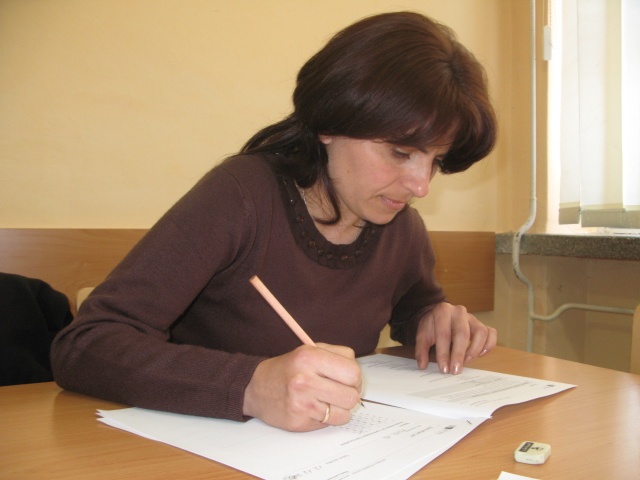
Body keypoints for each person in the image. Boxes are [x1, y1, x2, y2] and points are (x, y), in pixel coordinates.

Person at [51, 11, 498, 433]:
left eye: (436, 161)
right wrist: (251, 385)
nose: (421, 185)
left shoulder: (401, 228)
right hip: (201, 450)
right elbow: (85, 345)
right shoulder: (240, 196)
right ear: (329, 122)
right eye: (401, 152)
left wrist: (434, 321)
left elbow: (413, 313)